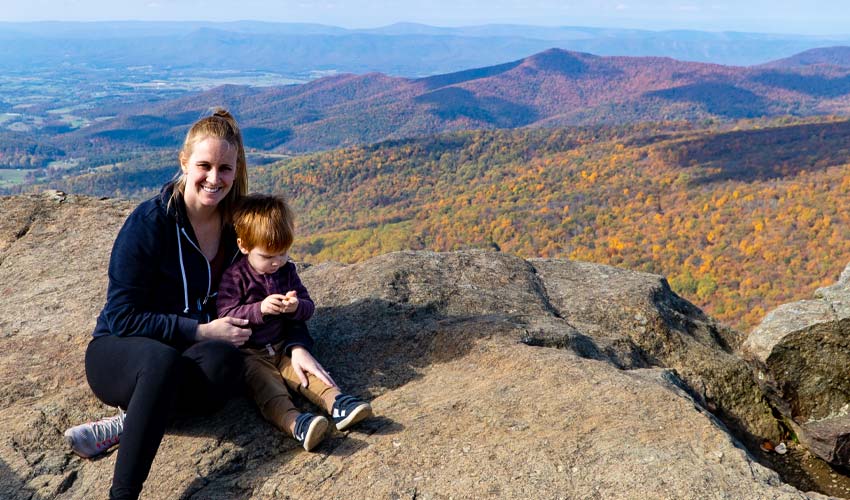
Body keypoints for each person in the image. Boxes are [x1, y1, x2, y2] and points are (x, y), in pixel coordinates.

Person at [61, 109, 334, 499]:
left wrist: (296, 343)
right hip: (118, 354)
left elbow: (279, 284)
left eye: (225, 168)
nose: (214, 177)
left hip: (192, 359)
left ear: (236, 169)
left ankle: (136, 421)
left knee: (228, 364)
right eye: (204, 165)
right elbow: (122, 316)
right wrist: (199, 329)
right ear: (184, 162)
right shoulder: (150, 224)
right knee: (161, 362)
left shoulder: (238, 226)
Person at [216, 193, 372, 451]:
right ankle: (297, 423)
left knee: (309, 375)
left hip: (283, 346)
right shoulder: (235, 276)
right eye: (267, 257)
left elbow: (308, 307)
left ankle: (338, 404)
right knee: (269, 391)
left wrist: (296, 307)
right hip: (251, 355)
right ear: (243, 246)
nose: (277, 262)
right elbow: (225, 315)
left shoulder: (287, 272)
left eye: (283, 253)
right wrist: (260, 309)